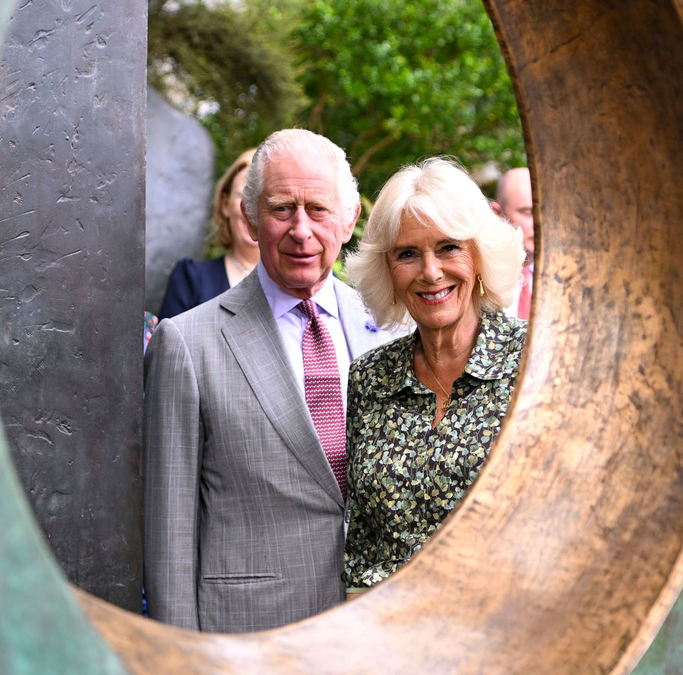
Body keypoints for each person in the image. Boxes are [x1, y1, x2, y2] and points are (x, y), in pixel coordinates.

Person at [144, 129, 399, 632]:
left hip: (377, 632)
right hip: (249, 636)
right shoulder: (186, 343)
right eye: (283, 209)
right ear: (251, 218)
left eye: (319, 209)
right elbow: (168, 532)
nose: (301, 230)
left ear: (349, 220)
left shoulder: (393, 328)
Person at [342, 157, 526, 593]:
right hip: (385, 640)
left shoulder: (534, 360)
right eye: (408, 253)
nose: (429, 272)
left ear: (479, 256)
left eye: (448, 247)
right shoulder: (369, 378)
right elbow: (363, 540)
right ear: (388, 270)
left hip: (502, 631)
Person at [157, 149, 257, 319]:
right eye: (245, 195)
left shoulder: (297, 285)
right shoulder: (190, 279)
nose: (252, 210)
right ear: (226, 205)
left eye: (263, 198)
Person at [491, 166, 535, 320]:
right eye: (528, 212)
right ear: (498, 213)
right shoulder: (482, 275)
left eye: (544, 211)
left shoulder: (573, 275)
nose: (539, 222)